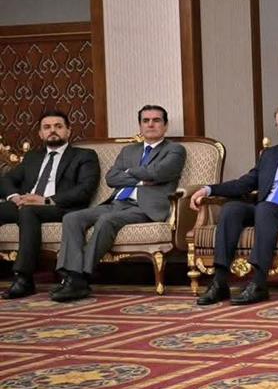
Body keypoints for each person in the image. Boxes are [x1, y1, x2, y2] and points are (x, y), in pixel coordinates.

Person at [192, 103, 278, 305]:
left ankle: (259, 283)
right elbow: (244, 183)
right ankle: (220, 282)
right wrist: (208, 190)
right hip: (264, 209)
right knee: (232, 209)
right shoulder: (270, 154)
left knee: (265, 209)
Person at [53, 105, 185, 302]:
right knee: (72, 218)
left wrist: (129, 172)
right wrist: (142, 179)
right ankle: (73, 276)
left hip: (145, 208)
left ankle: (78, 279)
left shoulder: (175, 150)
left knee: (107, 220)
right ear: (140, 126)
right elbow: (111, 178)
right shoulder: (128, 150)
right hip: (117, 202)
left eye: (156, 120)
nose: (150, 124)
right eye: (146, 121)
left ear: (165, 126)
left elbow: (161, 172)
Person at [0, 111, 100, 298]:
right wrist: (15, 197)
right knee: (21, 210)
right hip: (27, 205)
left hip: (62, 208)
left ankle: (24, 278)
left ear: (68, 131)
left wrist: (46, 200)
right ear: (40, 134)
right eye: (47, 127)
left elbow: (85, 189)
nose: (52, 130)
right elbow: (6, 180)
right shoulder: (32, 157)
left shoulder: (84, 155)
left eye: (58, 126)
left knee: (29, 212)